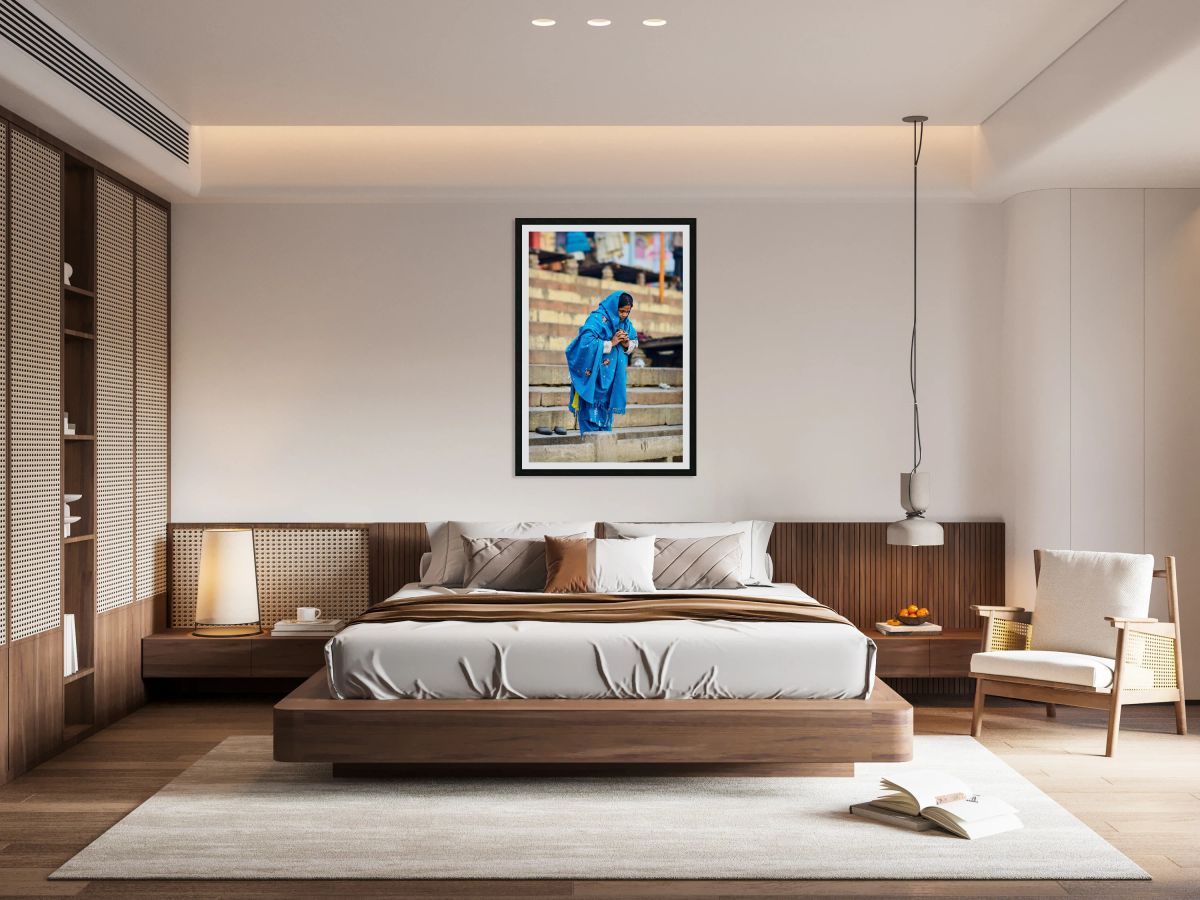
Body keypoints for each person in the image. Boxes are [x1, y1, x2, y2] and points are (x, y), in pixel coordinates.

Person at [564, 291, 638, 433]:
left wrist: (626, 343)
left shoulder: (626, 324)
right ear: (613, 307)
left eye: (627, 312)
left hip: (611, 379)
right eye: (621, 311)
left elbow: (634, 342)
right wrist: (611, 342)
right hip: (594, 377)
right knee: (590, 419)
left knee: (605, 422)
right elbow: (584, 342)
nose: (624, 315)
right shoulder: (597, 319)